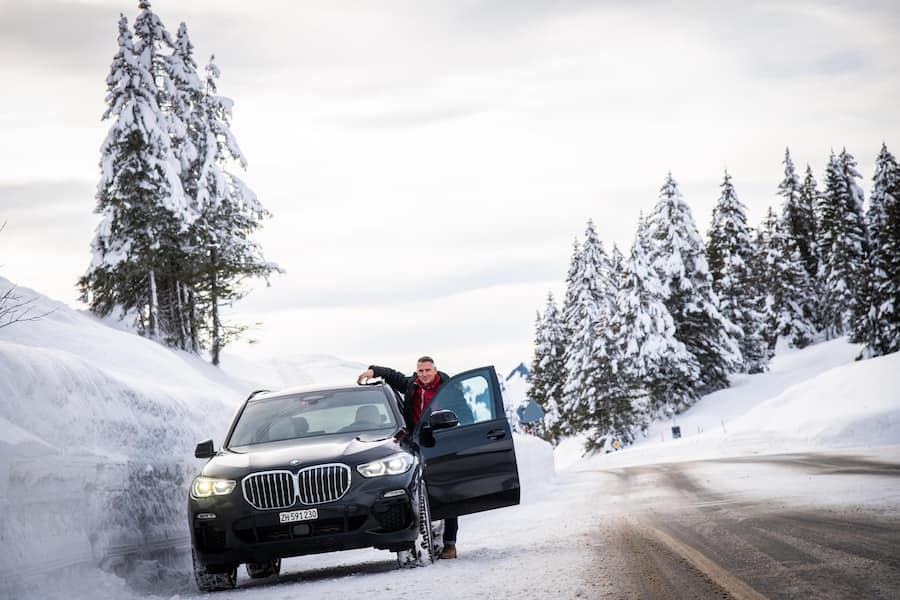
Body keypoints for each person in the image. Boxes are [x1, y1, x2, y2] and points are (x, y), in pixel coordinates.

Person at [357, 356, 473, 560]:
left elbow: (465, 414)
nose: (424, 374)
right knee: (419, 493)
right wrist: (373, 371)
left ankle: (450, 544)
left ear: (435, 370)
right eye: (421, 371)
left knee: (447, 494)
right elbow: (393, 376)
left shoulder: (448, 389)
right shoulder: (412, 386)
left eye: (428, 370)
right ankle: (420, 537)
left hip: (441, 443)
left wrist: (459, 436)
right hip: (417, 444)